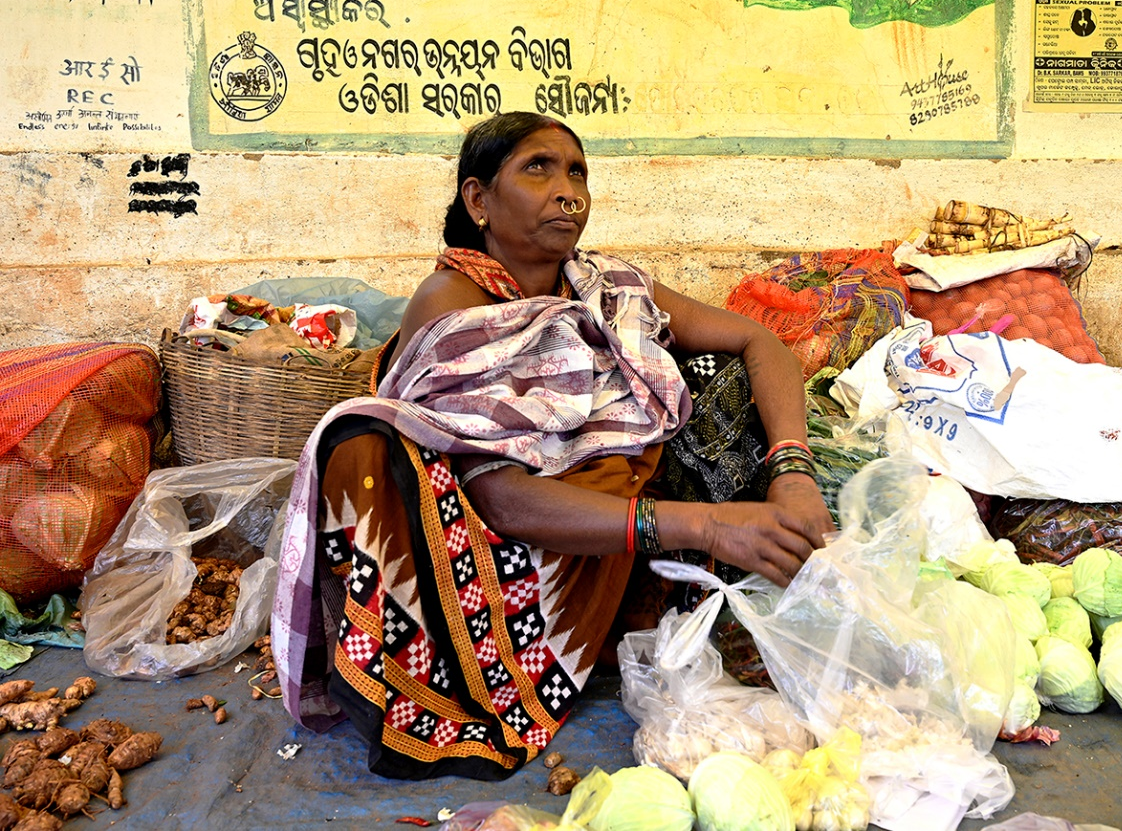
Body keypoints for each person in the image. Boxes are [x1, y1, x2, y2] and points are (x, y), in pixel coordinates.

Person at [273, 112, 832, 780]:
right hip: (498, 551)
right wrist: (703, 522)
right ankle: (490, 667)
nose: (568, 190)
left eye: (577, 173)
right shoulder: (451, 301)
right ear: (478, 199)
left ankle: (695, 612)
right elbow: (498, 495)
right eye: (538, 168)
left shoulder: (612, 289)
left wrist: (791, 470)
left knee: (720, 380)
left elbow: (757, 340)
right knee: (359, 446)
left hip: (619, 517)